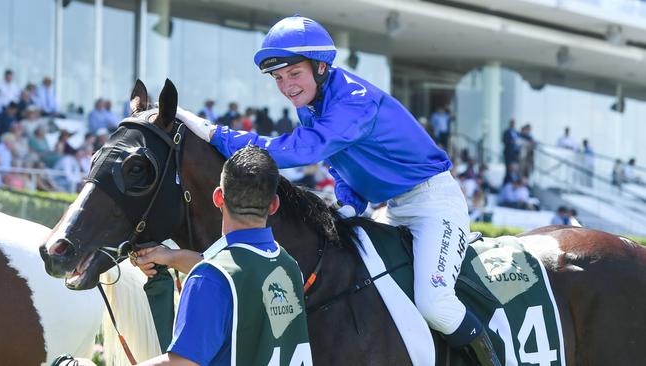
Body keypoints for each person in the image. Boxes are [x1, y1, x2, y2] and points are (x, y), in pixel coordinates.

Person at [175, 15, 499, 365]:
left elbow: (306, 150)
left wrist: (216, 135)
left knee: (434, 304)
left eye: (293, 74)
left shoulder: (353, 100)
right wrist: (348, 202)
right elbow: (340, 161)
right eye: (278, 78)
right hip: (391, 207)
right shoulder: (314, 104)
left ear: (320, 67)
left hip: (434, 203)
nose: (287, 87)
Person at [63, 146, 312, 366]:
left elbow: (182, 363)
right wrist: (170, 257)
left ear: (218, 197)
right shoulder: (289, 266)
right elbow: (237, 274)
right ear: (274, 205)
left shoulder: (210, 278)